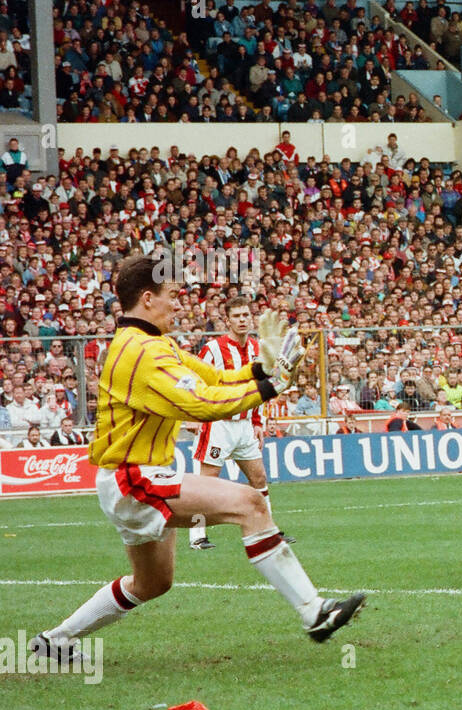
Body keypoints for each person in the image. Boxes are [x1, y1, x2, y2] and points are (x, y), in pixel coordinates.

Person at [29, 254, 363, 667]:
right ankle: (315, 613)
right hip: (134, 477)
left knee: (153, 583)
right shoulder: (142, 352)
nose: (179, 304)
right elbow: (199, 403)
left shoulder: (151, 344)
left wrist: (260, 368)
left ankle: (54, 640)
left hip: (129, 476)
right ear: (148, 299)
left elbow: (212, 378)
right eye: (173, 296)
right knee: (251, 503)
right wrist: (271, 386)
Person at [189, 296, 296, 551]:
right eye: (236, 316)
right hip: (218, 424)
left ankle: (269, 531)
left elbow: (258, 388)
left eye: (245, 315)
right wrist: (194, 415)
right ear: (227, 320)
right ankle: (197, 536)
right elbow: (195, 380)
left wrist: (258, 421)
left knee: (259, 478)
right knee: (206, 483)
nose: (242, 320)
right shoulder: (213, 348)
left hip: (245, 424)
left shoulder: (258, 349)